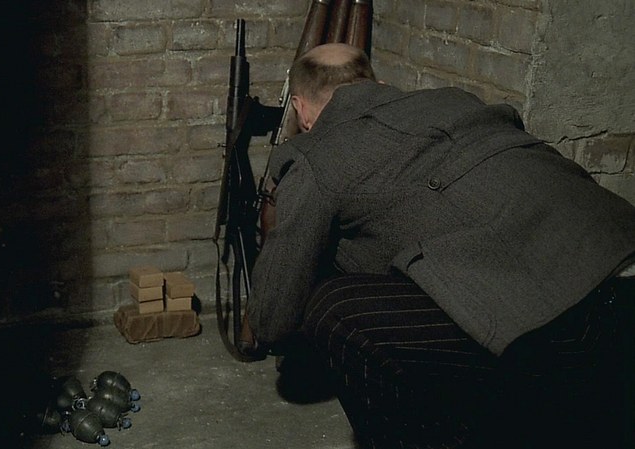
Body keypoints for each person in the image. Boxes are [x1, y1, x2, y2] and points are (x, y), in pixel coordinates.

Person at [247, 43, 635, 448]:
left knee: (335, 309)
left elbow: (271, 322)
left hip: (574, 326)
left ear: (302, 110)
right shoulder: (458, 101)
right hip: (621, 252)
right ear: (378, 84)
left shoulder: (316, 155)